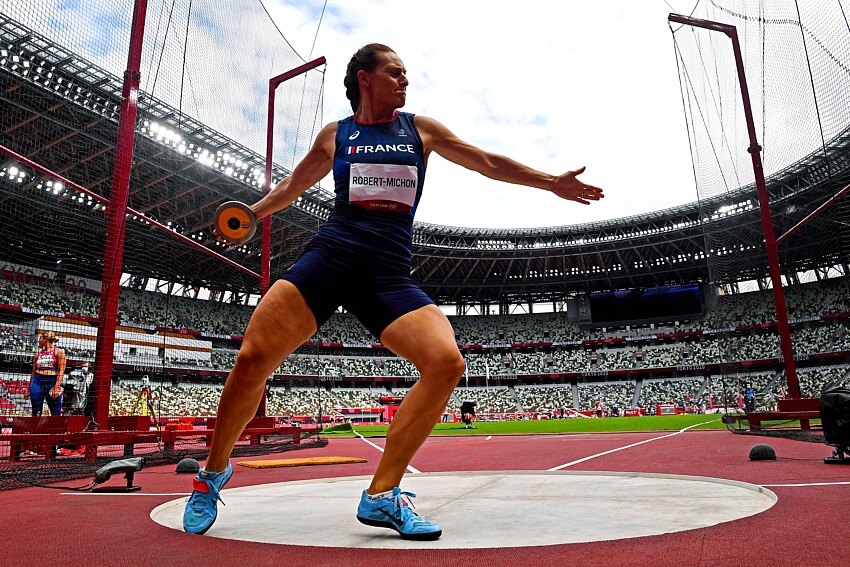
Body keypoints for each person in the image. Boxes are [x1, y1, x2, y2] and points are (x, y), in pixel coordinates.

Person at [183, 43, 604, 539]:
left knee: (446, 362)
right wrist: (253, 213)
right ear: (365, 78)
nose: (405, 82)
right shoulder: (335, 135)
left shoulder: (421, 130)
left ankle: (383, 494)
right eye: (396, 74)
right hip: (329, 259)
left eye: (406, 76)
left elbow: (486, 161)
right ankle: (212, 475)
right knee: (253, 357)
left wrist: (549, 181)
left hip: (386, 275)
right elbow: (294, 187)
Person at [24, 331, 67, 417]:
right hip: (37, 381)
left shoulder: (59, 352)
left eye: (40, 338)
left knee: (55, 412)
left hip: (52, 381)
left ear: (45, 339)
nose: (39, 340)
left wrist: (57, 386)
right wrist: (29, 390)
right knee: (36, 411)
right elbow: (33, 372)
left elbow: (61, 370)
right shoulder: (38, 354)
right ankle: (35, 428)